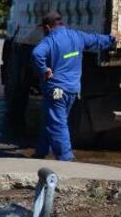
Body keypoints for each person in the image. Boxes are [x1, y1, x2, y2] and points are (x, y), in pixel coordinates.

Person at [30, 11, 116, 161]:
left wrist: (44, 70)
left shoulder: (50, 40)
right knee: (51, 119)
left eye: (43, 28)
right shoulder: (77, 36)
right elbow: (96, 40)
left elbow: (37, 54)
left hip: (56, 89)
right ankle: (41, 151)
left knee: (58, 123)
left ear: (48, 27)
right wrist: (112, 39)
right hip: (72, 89)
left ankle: (66, 158)